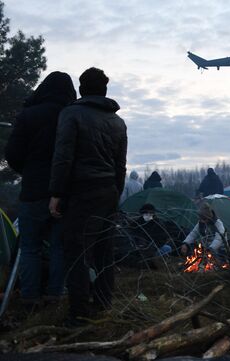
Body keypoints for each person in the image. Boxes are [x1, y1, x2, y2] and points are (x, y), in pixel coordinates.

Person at [49, 67, 127, 326]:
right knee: (105, 250)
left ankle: (79, 314)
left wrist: (56, 193)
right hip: (109, 192)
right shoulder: (118, 122)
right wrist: (116, 192)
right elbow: (120, 165)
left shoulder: (71, 114)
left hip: (82, 192)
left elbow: (63, 156)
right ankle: (104, 304)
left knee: (76, 251)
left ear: (82, 89)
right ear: (104, 90)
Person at [5, 71, 76, 306]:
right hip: (64, 192)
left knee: (30, 247)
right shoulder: (71, 115)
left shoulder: (30, 115)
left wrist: (29, 171)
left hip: (33, 191)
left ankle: (29, 296)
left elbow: (12, 153)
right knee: (58, 247)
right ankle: (55, 296)